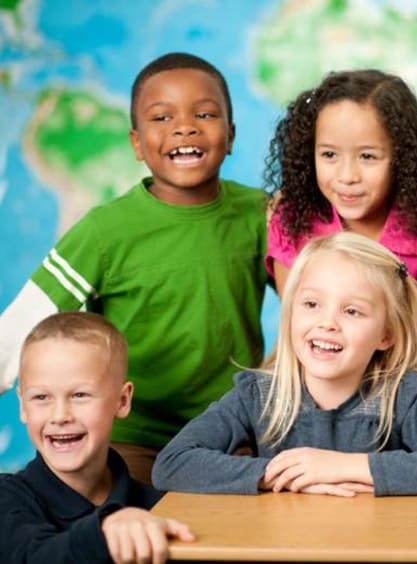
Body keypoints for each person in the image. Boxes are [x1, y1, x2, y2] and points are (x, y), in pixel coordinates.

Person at [0, 52, 268, 483]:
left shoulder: (260, 214)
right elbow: (24, 322)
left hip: (229, 436)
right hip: (134, 439)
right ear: (137, 144)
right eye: (161, 118)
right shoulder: (105, 231)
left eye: (205, 113)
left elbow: (314, 295)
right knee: (134, 531)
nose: (184, 126)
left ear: (231, 135)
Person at [152, 232, 417, 496]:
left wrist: (342, 467)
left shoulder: (402, 395)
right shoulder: (258, 394)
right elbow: (173, 463)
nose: (328, 323)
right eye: (311, 303)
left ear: (386, 335)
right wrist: (276, 476)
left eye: (351, 311)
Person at [264, 69, 417, 360]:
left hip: (398, 393)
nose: (347, 176)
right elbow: (299, 335)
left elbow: (413, 350)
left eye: (367, 156)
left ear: (402, 159)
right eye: (329, 155)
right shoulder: (292, 221)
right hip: (309, 392)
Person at [0, 312, 193, 564]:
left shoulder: (159, 507)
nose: (60, 416)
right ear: (23, 407)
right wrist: (106, 529)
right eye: (41, 397)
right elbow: (33, 556)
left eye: (80, 395)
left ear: (122, 401)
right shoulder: (7, 499)